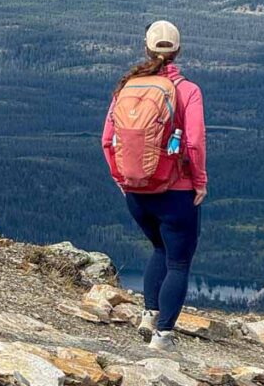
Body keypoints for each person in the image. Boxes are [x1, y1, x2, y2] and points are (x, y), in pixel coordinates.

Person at [102, 20, 207, 353]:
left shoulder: (127, 87)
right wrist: (200, 182)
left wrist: (121, 178)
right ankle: (163, 335)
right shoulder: (187, 90)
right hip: (176, 192)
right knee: (178, 261)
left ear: (146, 48)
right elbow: (194, 142)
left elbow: (107, 140)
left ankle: (149, 315)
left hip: (137, 192)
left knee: (159, 249)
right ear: (177, 50)